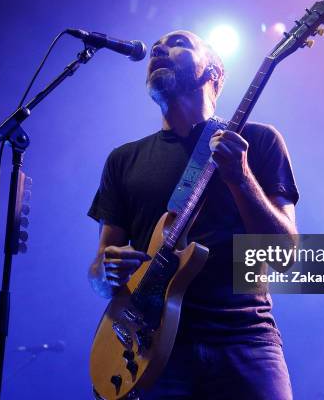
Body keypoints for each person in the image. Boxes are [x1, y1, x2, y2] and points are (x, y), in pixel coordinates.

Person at [88, 30, 298, 399]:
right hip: (147, 345)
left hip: (244, 340)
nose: (159, 50)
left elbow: (283, 255)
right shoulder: (123, 160)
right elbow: (99, 273)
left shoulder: (259, 142)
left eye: (179, 43)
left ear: (213, 72)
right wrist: (104, 271)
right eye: (155, 47)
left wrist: (241, 177)